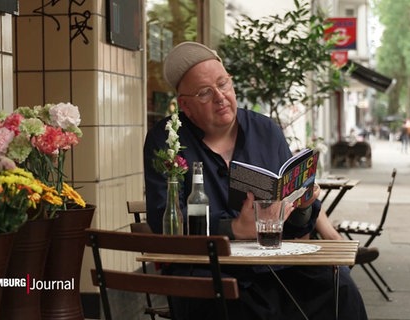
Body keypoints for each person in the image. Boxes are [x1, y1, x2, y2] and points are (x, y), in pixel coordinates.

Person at [144, 41, 368, 320]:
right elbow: (161, 217)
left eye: (223, 84)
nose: (220, 97)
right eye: (205, 93)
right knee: (249, 307)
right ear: (185, 107)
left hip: (274, 263)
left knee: (339, 287)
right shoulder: (166, 139)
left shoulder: (266, 131)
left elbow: (297, 227)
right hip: (208, 270)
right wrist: (234, 228)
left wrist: (304, 206)